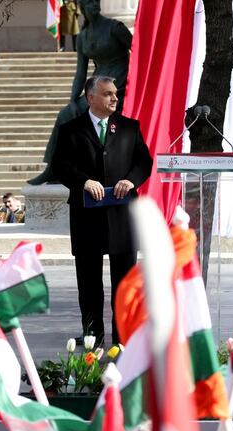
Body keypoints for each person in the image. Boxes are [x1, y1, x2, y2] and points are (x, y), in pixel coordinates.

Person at [52, 75, 153, 347]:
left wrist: (131, 179)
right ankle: (92, 338)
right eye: (108, 94)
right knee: (89, 283)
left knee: (124, 281)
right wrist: (84, 181)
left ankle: (123, 339)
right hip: (87, 216)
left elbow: (144, 161)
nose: (114, 98)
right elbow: (60, 166)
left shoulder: (130, 128)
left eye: (115, 94)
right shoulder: (70, 129)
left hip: (122, 216)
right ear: (91, 97)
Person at [28, 0, 132, 185]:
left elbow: (139, 52)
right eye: (89, 3)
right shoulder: (83, 35)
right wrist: (73, 101)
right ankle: (54, 168)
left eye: (96, 2)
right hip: (97, 86)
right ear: (82, 7)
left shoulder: (115, 28)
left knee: (89, 113)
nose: (95, 6)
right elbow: (80, 73)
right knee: (66, 114)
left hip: (121, 85)